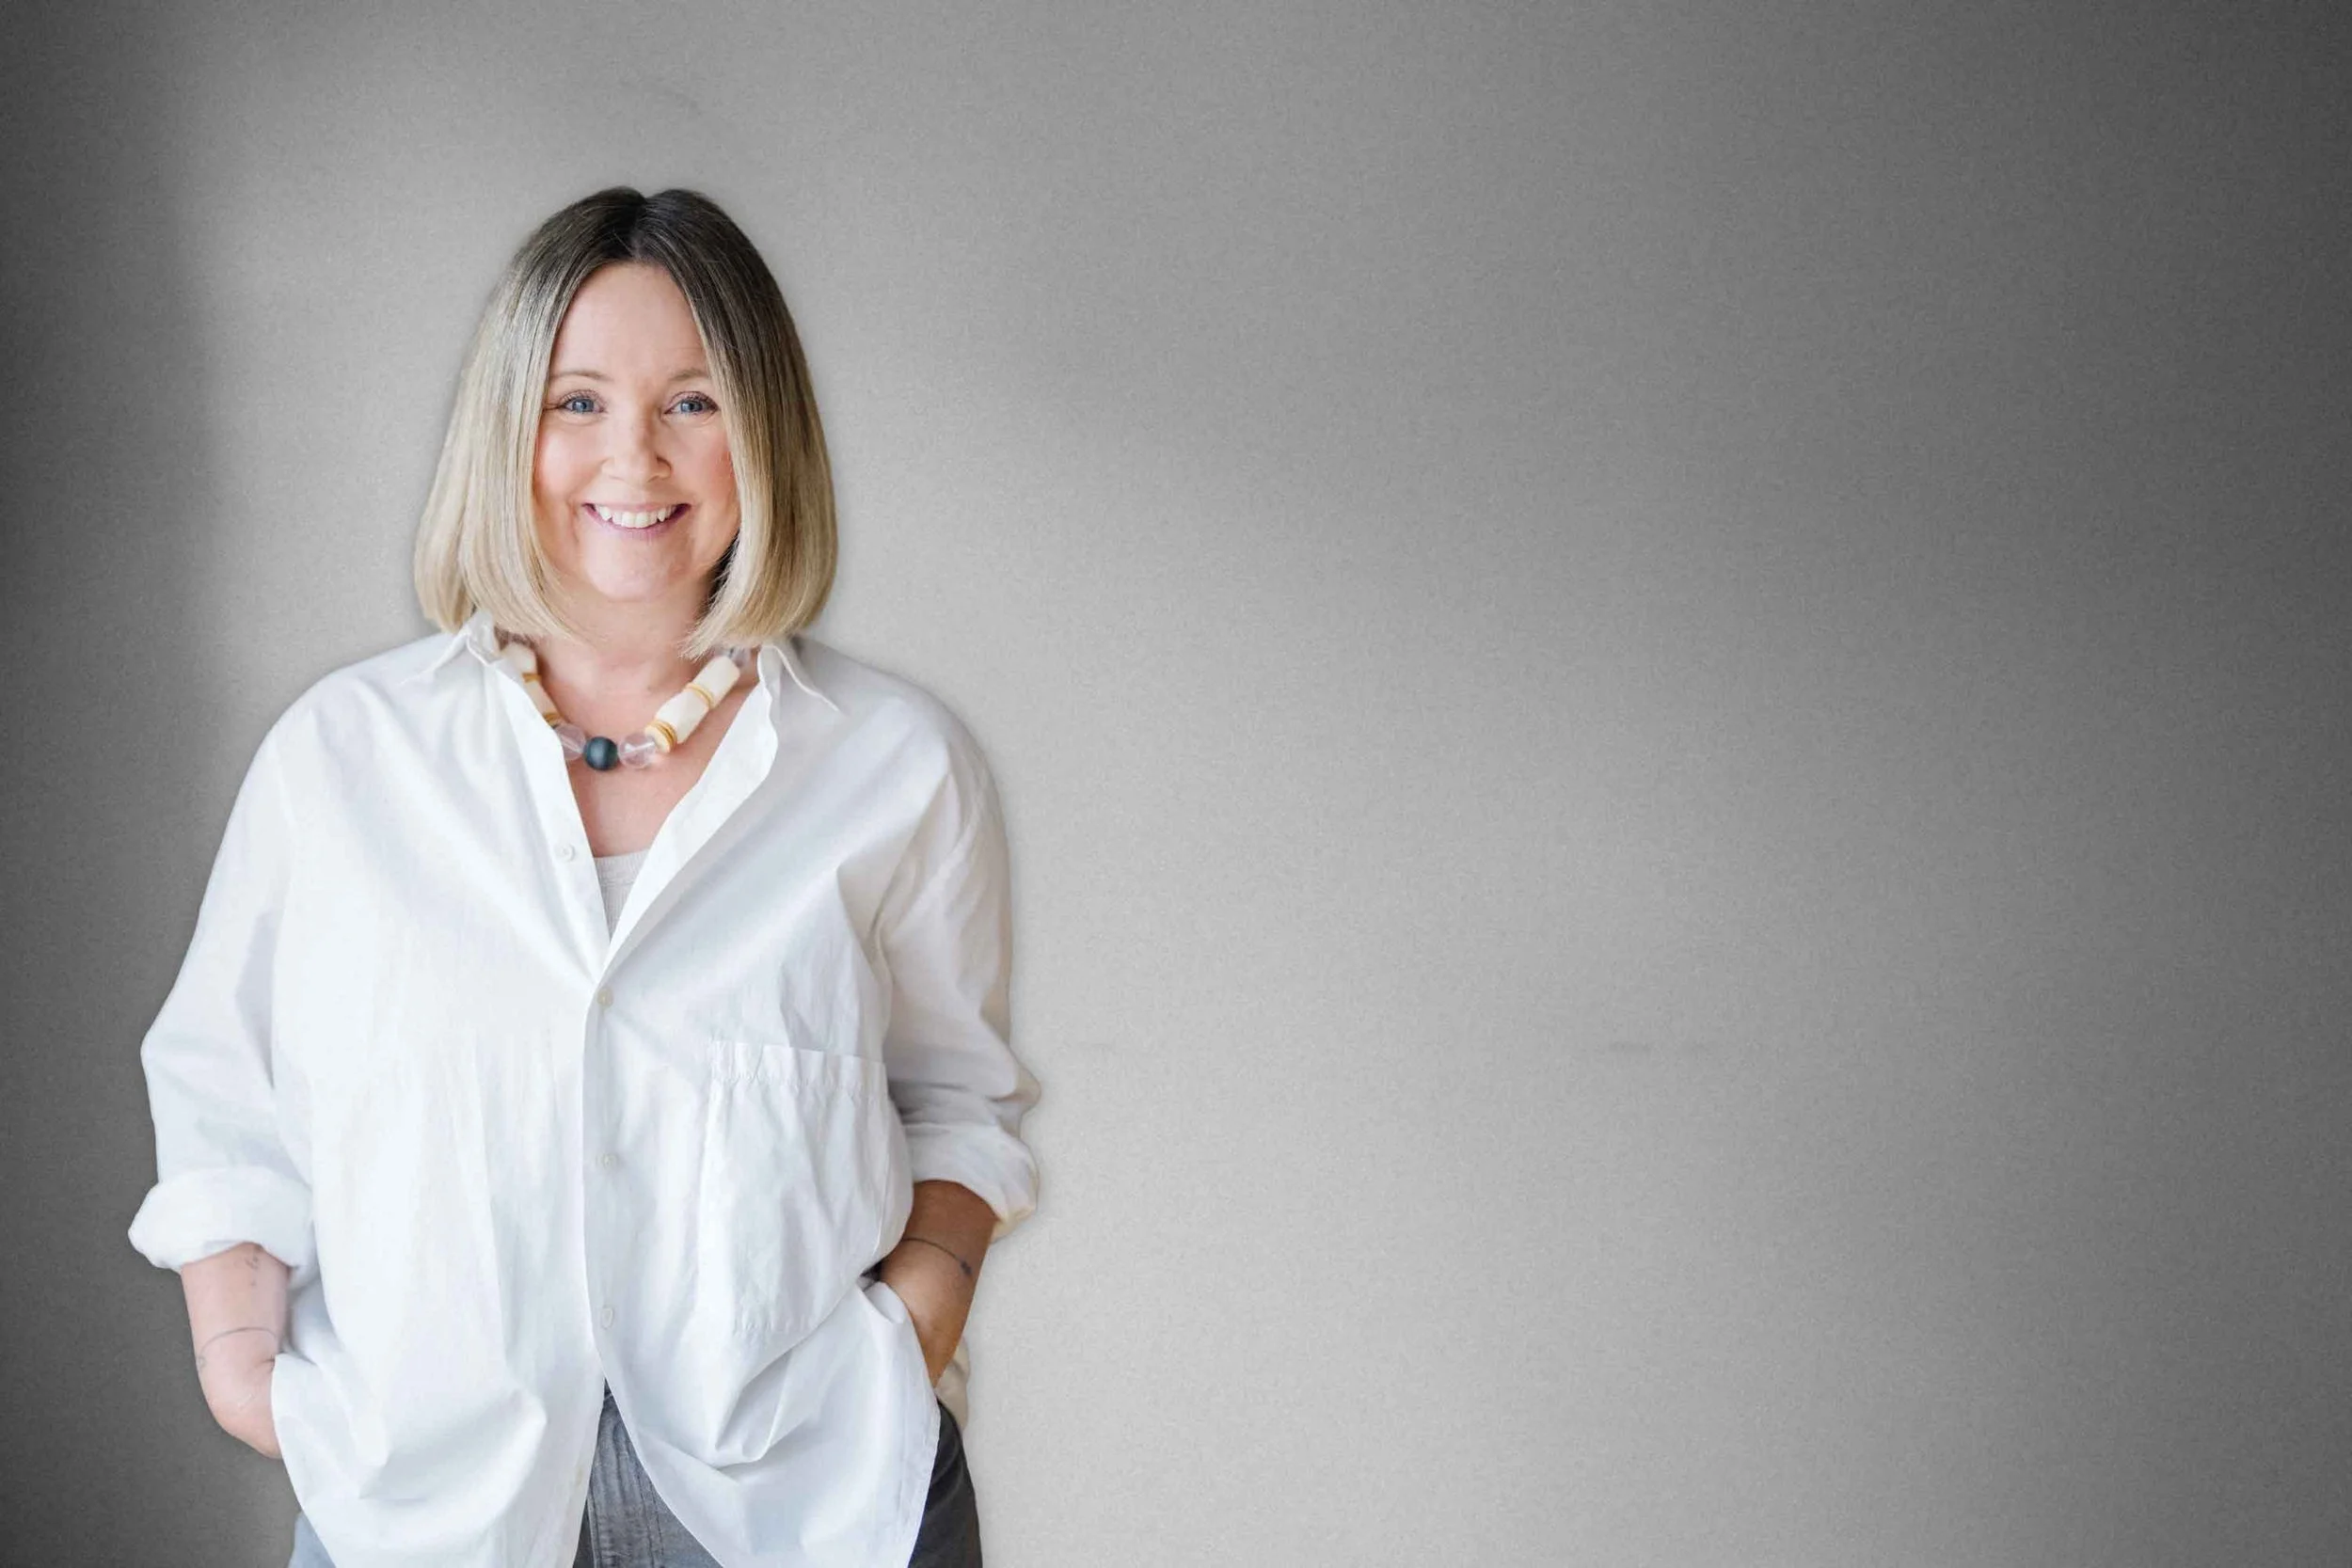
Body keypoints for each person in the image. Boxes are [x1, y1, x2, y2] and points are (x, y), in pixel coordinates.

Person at [126, 186, 1042, 1568]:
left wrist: (911, 1324)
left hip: (802, 1505)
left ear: (765, 432)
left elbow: (956, 1104)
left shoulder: (897, 767)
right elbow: (224, 1099)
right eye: (577, 402)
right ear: (510, 429)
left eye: (693, 401)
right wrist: (243, 1374)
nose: (636, 456)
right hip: (430, 1510)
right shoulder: (341, 760)